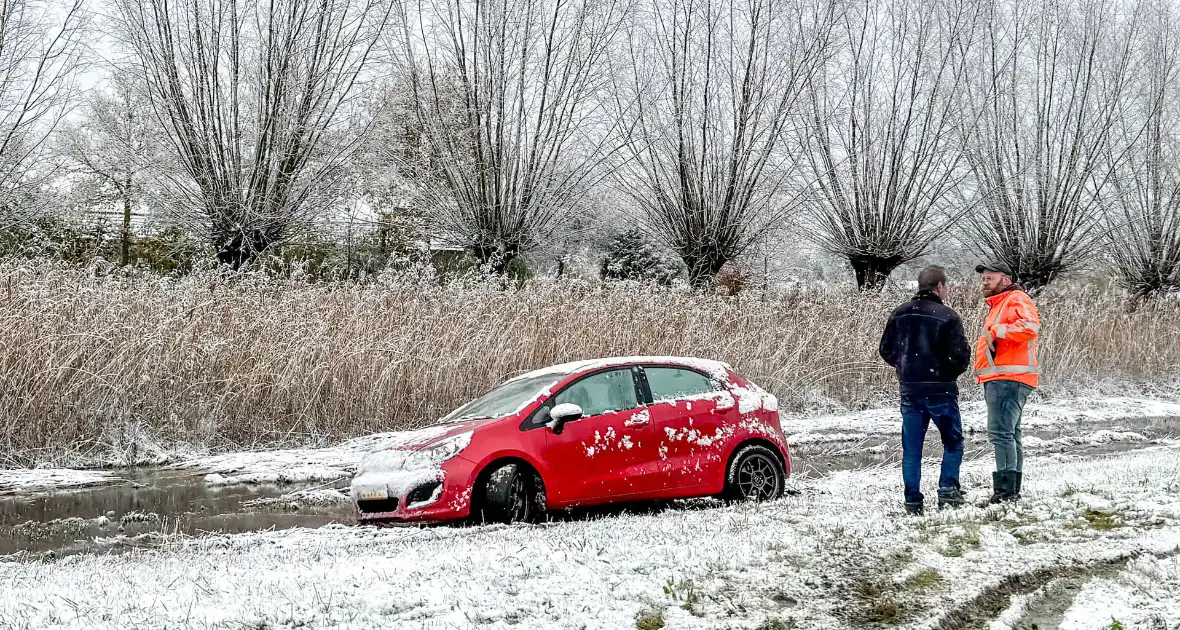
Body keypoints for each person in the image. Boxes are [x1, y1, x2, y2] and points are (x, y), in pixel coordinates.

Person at [879, 266, 972, 514]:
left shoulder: (899, 314)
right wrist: (946, 372)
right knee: (952, 441)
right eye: (946, 286)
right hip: (941, 390)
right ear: (939, 286)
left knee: (912, 449)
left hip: (910, 389)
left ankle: (913, 500)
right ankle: (948, 491)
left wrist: (905, 365)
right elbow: (961, 356)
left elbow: (886, 350)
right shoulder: (948, 316)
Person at [974, 261, 1041, 504]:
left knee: (1001, 434)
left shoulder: (1015, 298)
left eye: (989, 278)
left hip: (1008, 377)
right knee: (1010, 434)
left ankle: (1004, 494)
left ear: (1004, 278)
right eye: (983, 279)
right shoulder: (1000, 303)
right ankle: (1010, 491)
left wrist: (997, 331)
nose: (984, 283)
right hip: (1006, 376)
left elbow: (1030, 327)